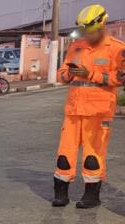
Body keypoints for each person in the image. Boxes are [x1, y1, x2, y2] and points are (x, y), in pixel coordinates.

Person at [52, 4, 125, 208]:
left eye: (90, 30)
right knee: (64, 154)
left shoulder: (118, 49)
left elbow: (121, 79)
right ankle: (61, 194)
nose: (87, 34)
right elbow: (61, 73)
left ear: (102, 24)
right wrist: (68, 74)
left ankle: (91, 196)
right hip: (74, 109)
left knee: (93, 155)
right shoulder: (76, 47)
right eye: (84, 30)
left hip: (99, 112)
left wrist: (90, 75)